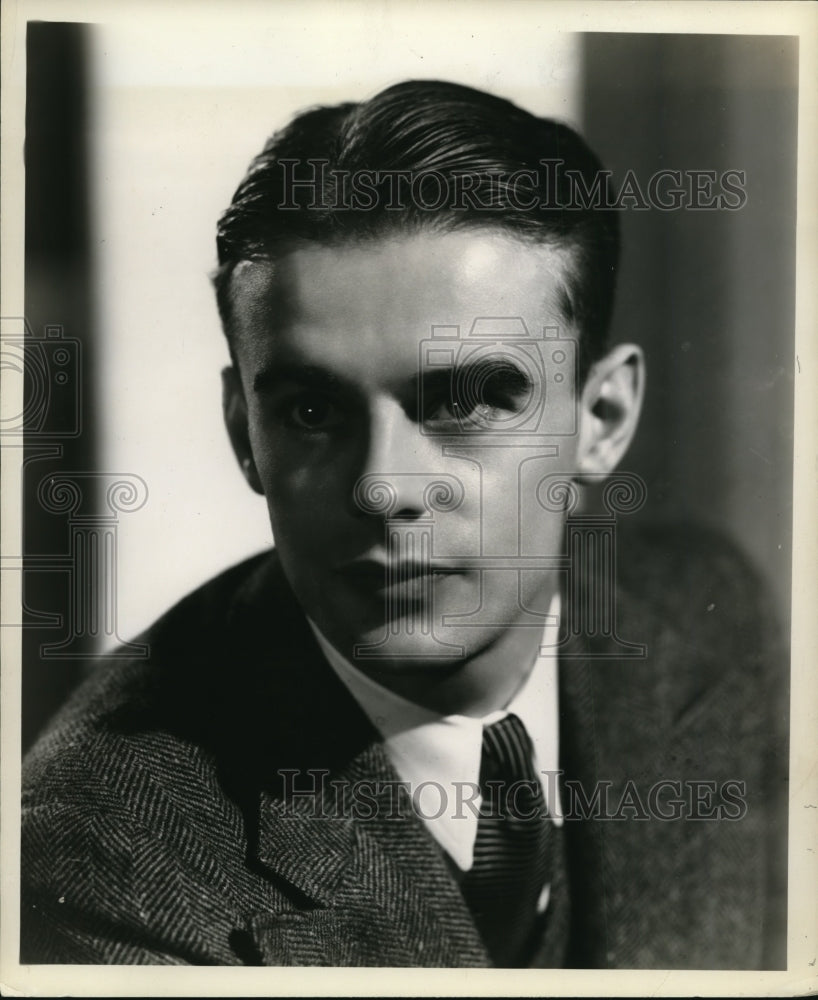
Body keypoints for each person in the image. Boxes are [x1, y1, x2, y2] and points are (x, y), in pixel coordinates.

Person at [20, 80, 787, 968]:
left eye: (469, 401)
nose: (384, 488)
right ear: (244, 433)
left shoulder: (711, 618)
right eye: (312, 412)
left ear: (602, 418)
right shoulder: (102, 856)